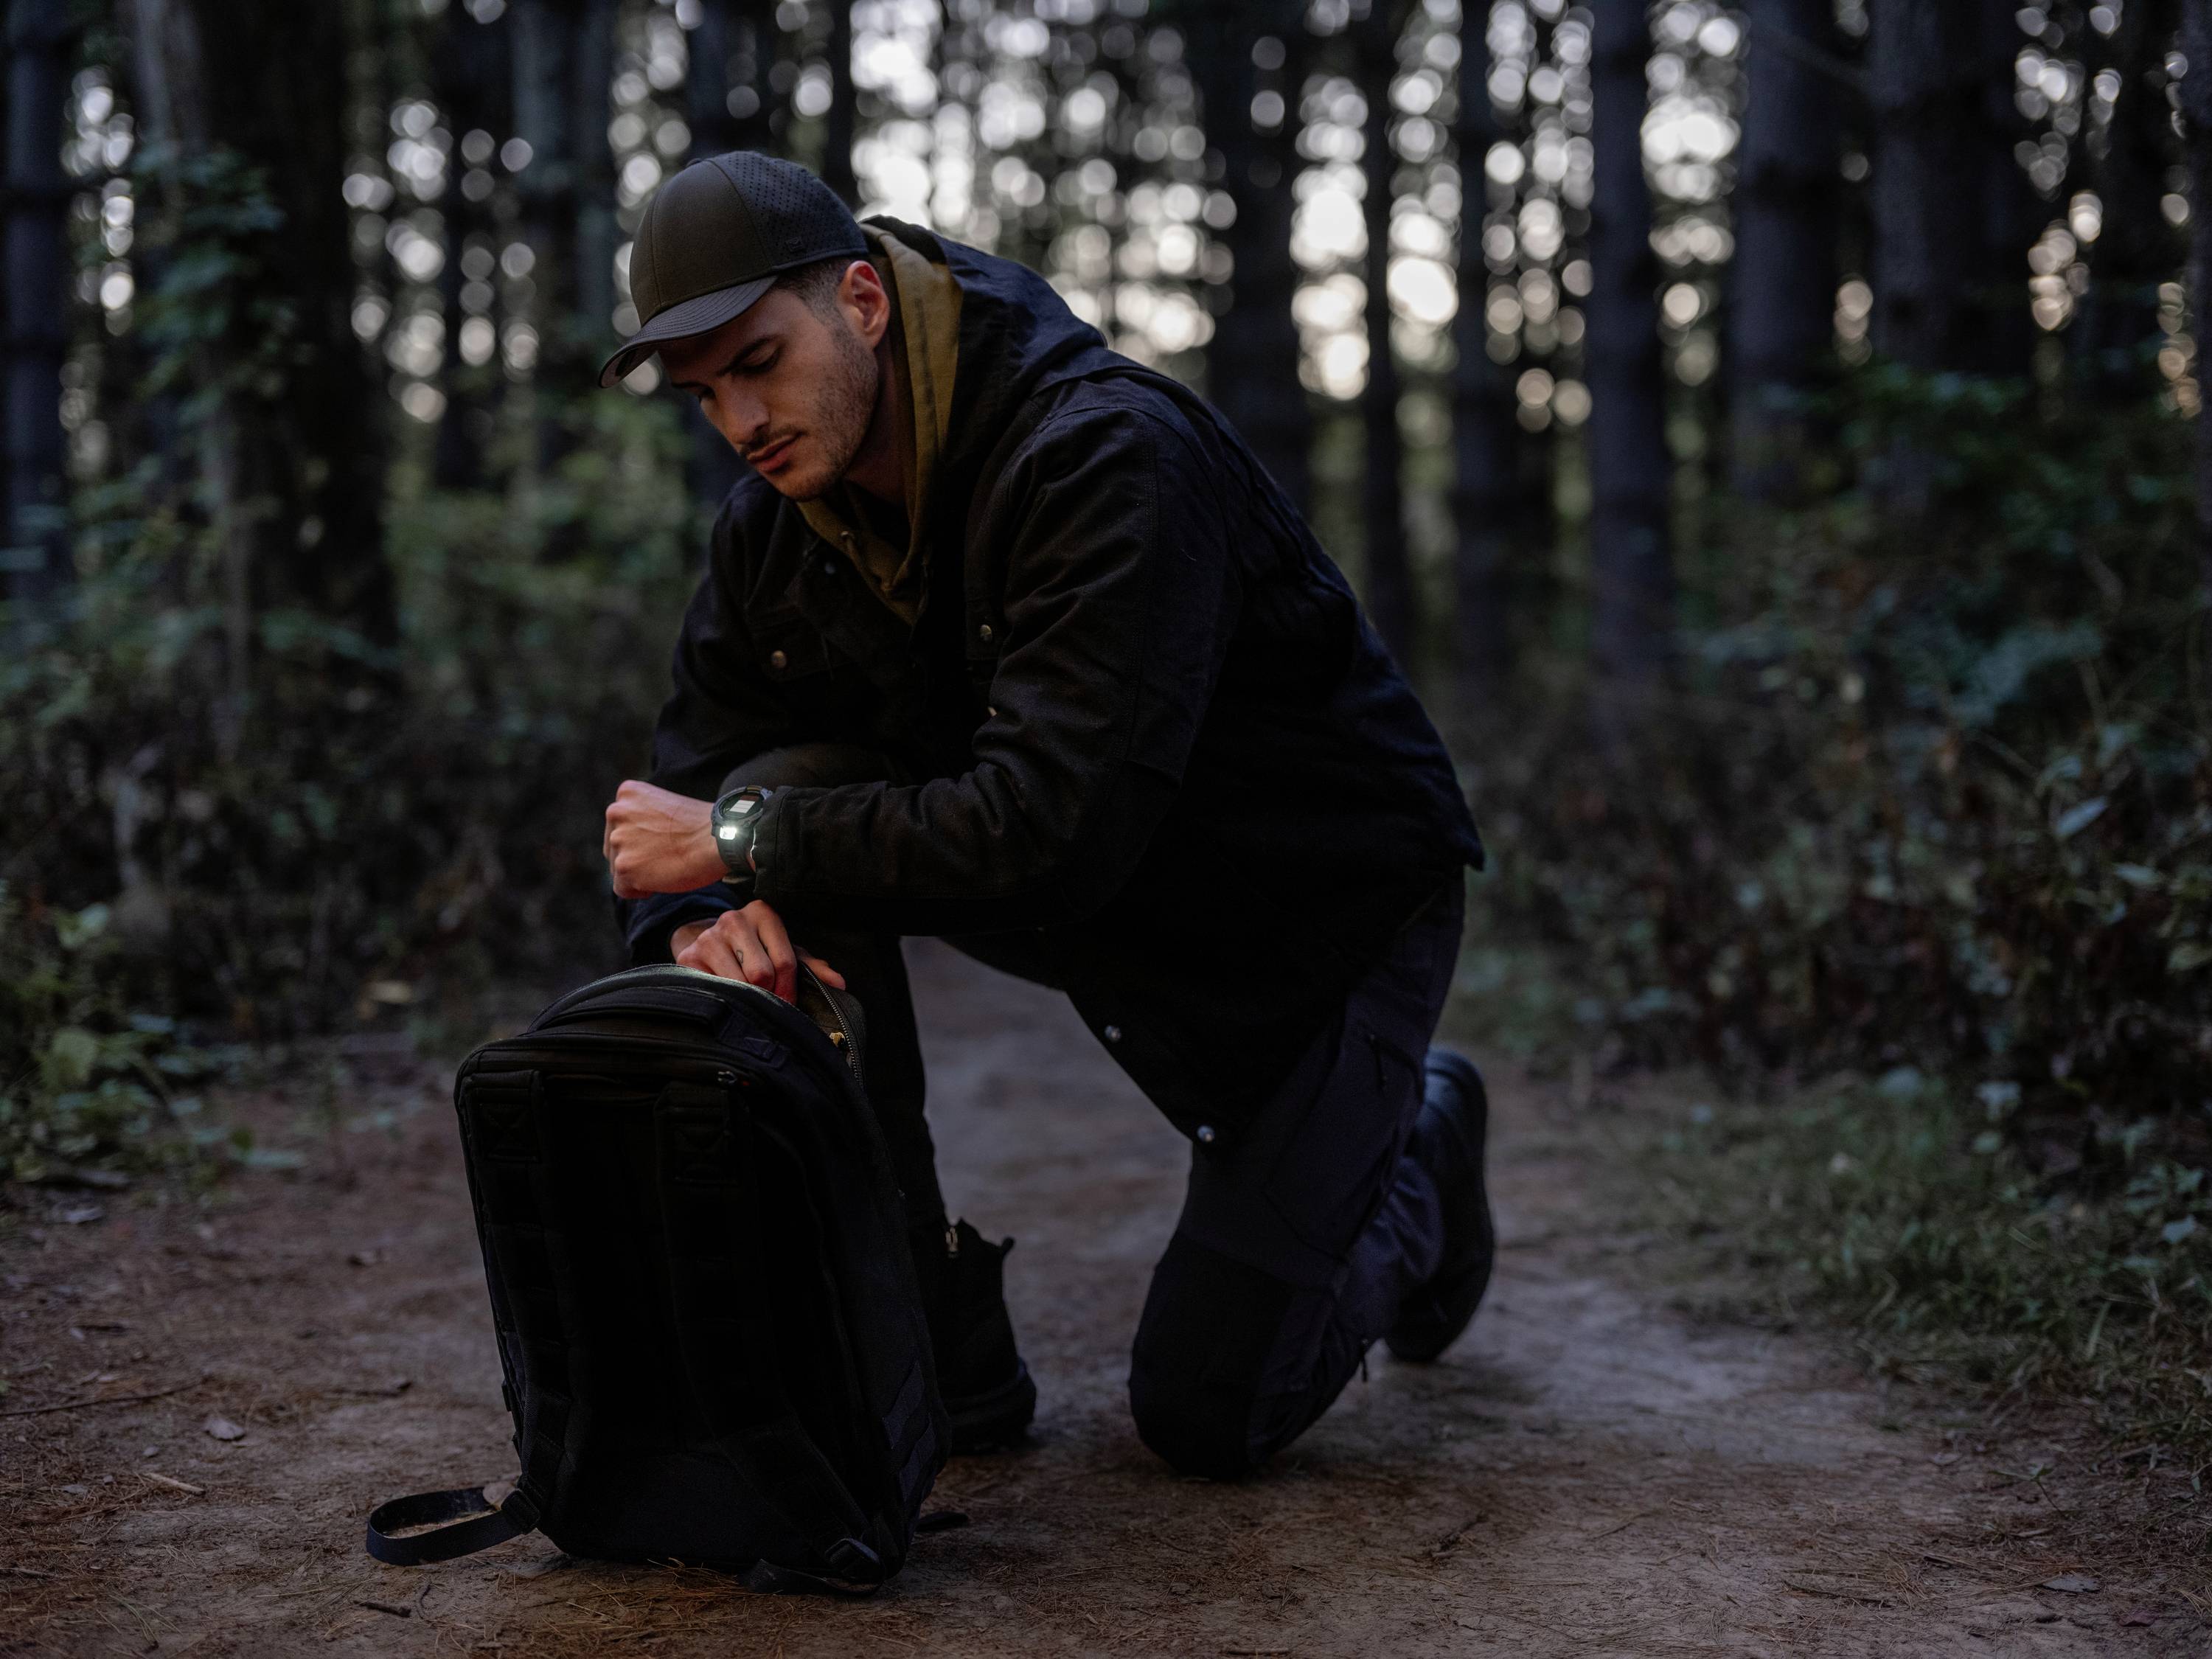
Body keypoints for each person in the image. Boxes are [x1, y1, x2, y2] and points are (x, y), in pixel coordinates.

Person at [598, 153, 1492, 1478]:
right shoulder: (775, 526)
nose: (740, 419)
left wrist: (734, 845)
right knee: (770, 808)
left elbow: (1052, 831)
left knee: (1209, 1406)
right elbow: (680, 791)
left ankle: (1420, 1142)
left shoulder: (1103, 455)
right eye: (704, 392)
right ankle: (923, 1349)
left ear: (862, 299)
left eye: (760, 361)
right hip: (1118, 906)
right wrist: (703, 913)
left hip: (1319, 913)